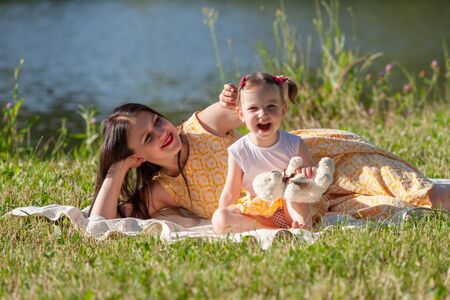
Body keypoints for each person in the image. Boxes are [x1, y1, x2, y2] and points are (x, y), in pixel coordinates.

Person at [89, 81, 450, 226]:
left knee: (416, 190)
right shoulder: (165, 189)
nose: (162, 133)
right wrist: (116, 170)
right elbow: (100, 225)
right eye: (148, 138)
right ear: (138, 157)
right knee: (389, 209)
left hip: (321, 160)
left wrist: (231, 97)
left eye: (157, 121)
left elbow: (248, 105)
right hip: (300, 202)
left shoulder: (200, 126)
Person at [212, 72, 318, 234]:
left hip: (290, 208)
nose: (263, 114)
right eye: (253, 108)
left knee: (295, 189)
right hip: (259, 213)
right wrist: (223, 213)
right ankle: (270, 230)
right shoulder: (238, 151)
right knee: (219, 219)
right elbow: (230, 192)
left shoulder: (294, 144)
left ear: (283, 110)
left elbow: (311, 179)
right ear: (241, 114)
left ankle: (302, 226)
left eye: (271, 107)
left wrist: (308, 172)